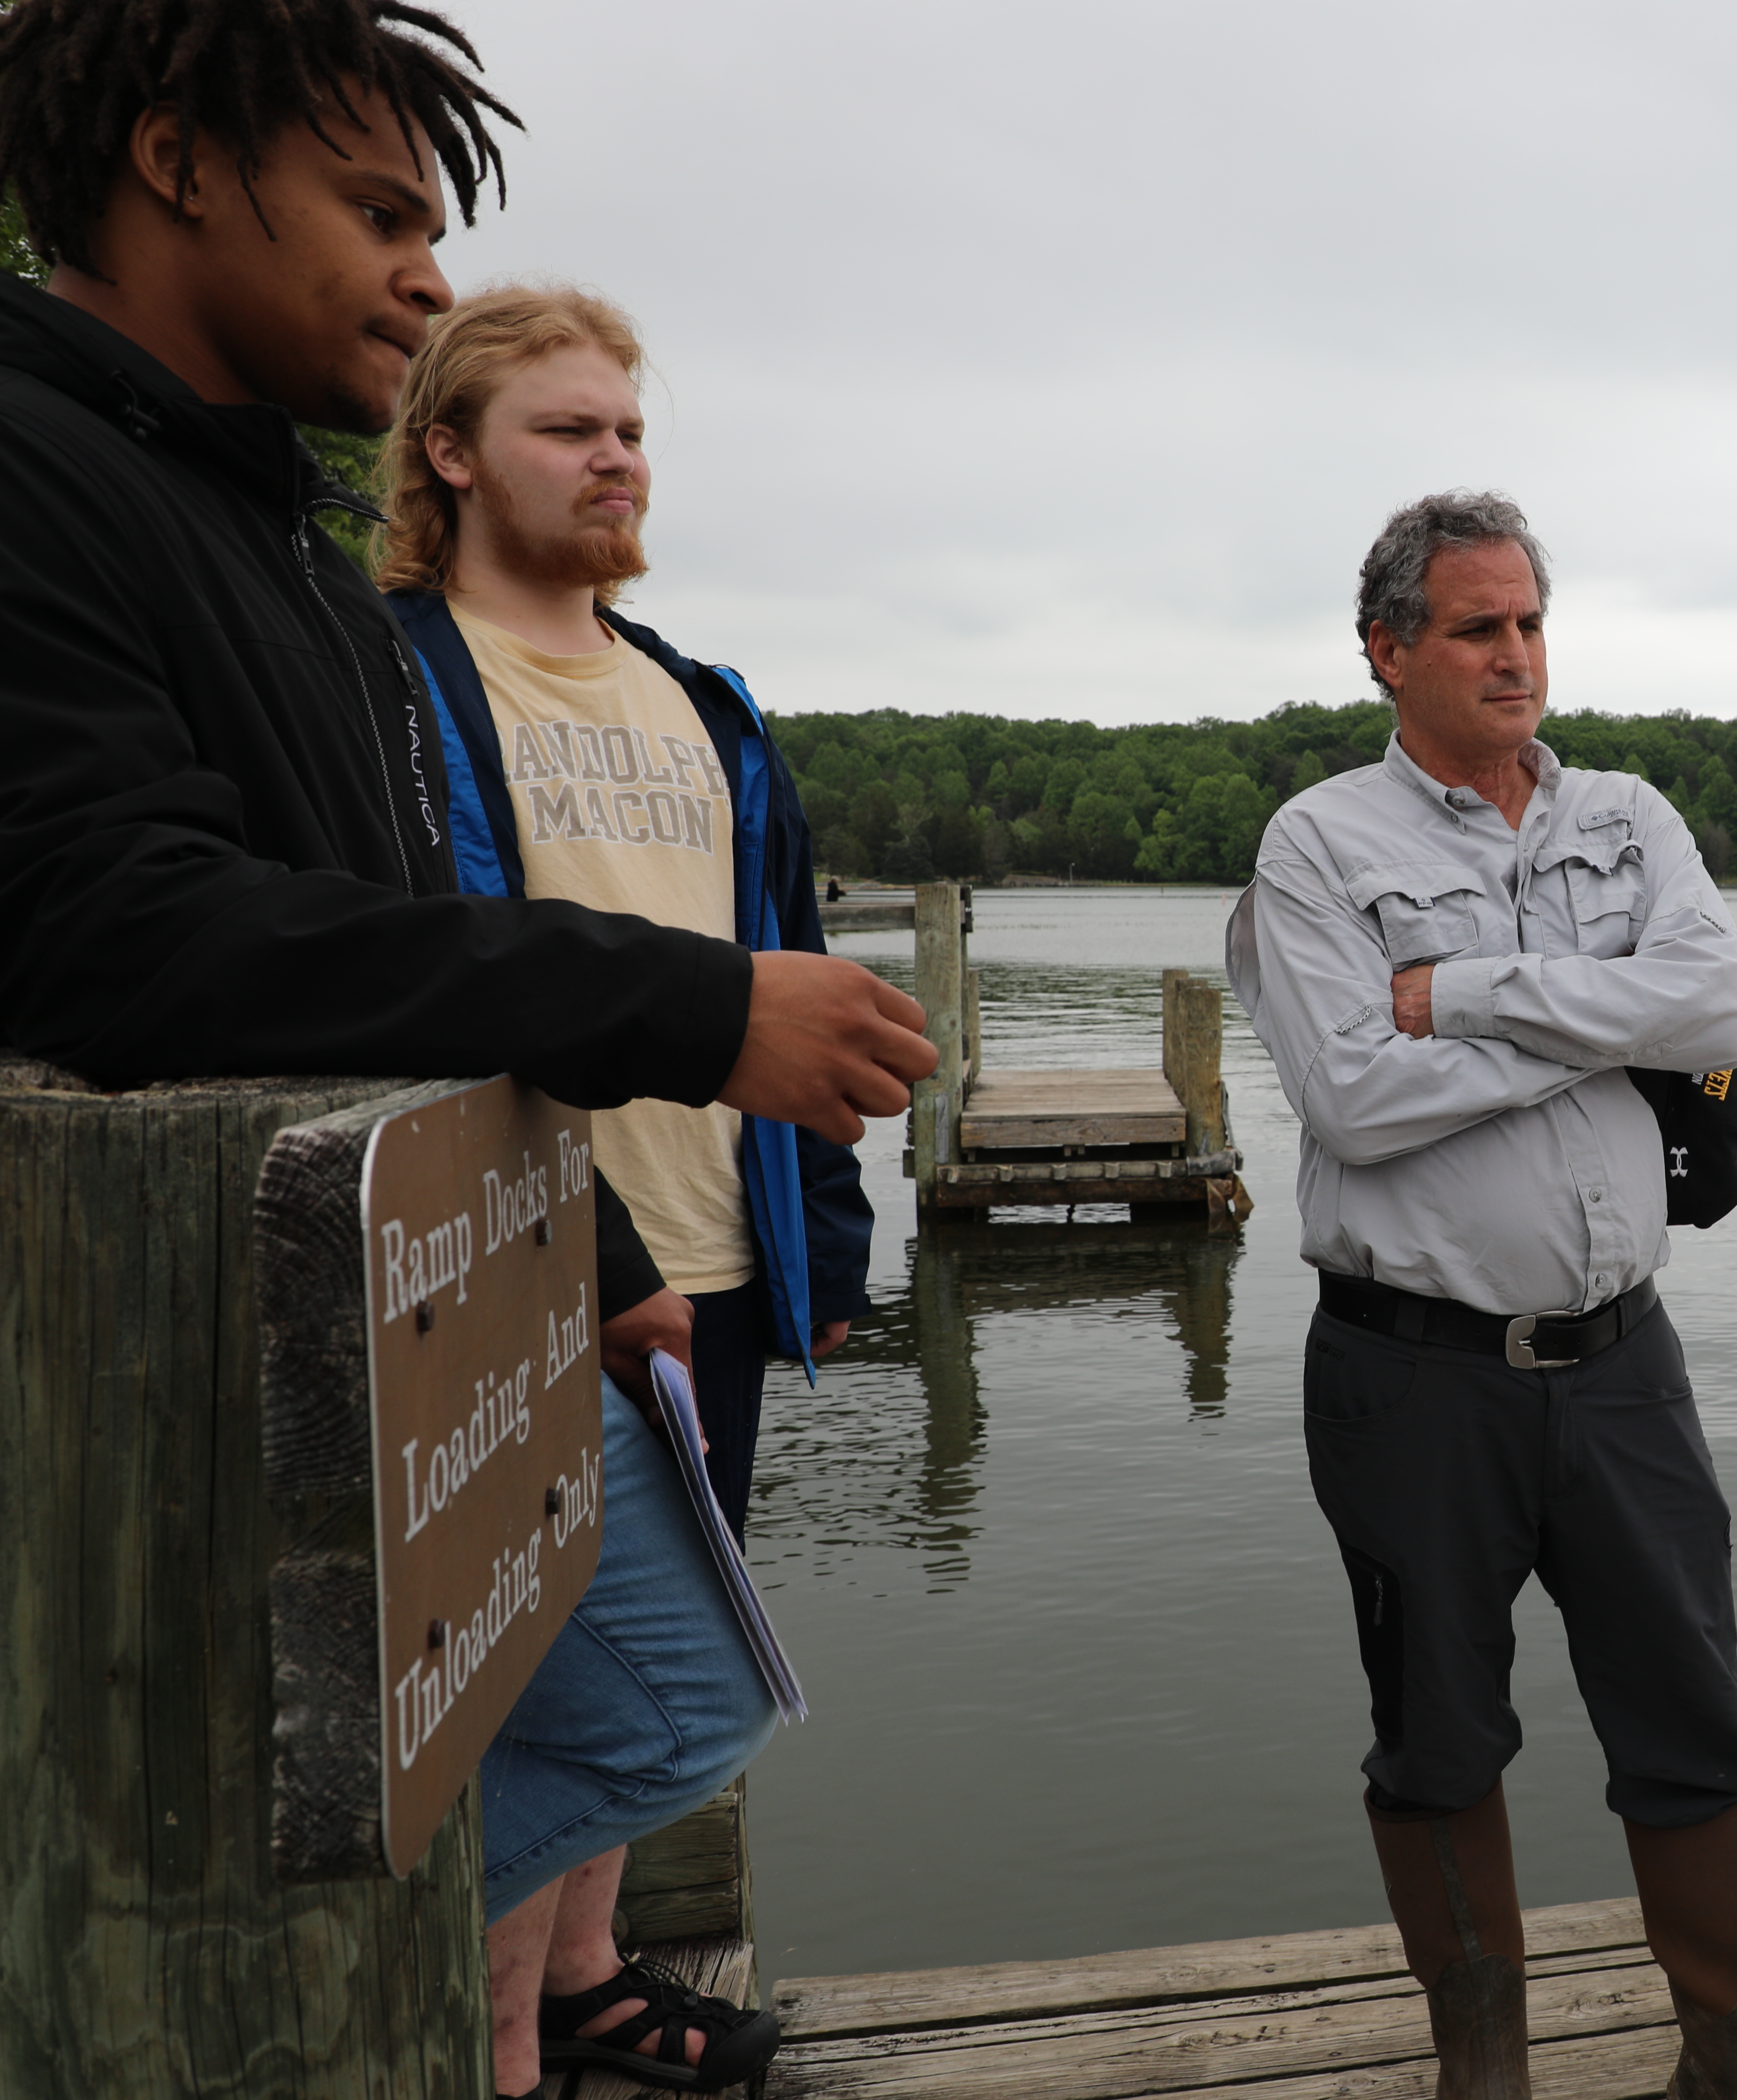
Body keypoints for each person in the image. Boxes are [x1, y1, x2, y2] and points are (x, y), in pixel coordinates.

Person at [0, 5, 935, 2092]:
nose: (428, 274)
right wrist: (694, 1013)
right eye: (379, 210)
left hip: (492, 1300)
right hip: (183, 1401)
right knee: (476, 1781)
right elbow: (119, 932)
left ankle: (446, 2011)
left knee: (659, 1696)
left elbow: (411, 960)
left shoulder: (291, 569)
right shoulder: (40, 469)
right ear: (174, 163)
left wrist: (605, 1265)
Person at [1227, 492, 1737, 2100]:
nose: (1516, 657)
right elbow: (1350, 1096)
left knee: (1695, 1717)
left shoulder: (1627, 815)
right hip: (1411, 1377)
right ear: (1388, 651)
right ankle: (1486, 2075)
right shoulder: (1319, 845)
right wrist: (1604, 1025)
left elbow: (1714, 1002)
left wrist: (1465, 996)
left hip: (1628, 1367)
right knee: (1438, 1738)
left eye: (1532, 623)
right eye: (1477, 628)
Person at [377, 282, 871, 1540]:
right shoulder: (379, 679)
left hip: (725, 1282)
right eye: (567, 432)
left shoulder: (710, 706)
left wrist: (823, 1235)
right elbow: (416, 986)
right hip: (494, 1275)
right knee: (534, 1704)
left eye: (630, 434)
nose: (614, 460)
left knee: (697, 1704)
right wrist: (598, 1263)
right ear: (453, 455)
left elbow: (784, 967)